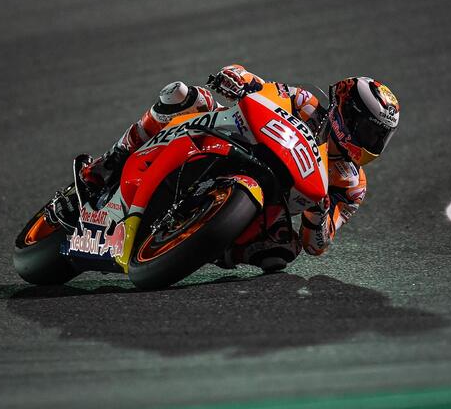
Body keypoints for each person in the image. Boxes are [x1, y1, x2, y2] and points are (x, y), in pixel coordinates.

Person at [78, 64, 400, 270]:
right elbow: (262, 88)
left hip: (265, 203)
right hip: (235, 141)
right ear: (346, 112)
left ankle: (203, 245)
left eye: (380, 137)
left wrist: (320, 209)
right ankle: (108, 163)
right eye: (368, 130)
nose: (372, 142)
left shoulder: (351, 185)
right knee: (182, 96)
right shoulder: (306, 104)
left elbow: (317, 245)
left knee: (280, 252)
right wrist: (238, 78)